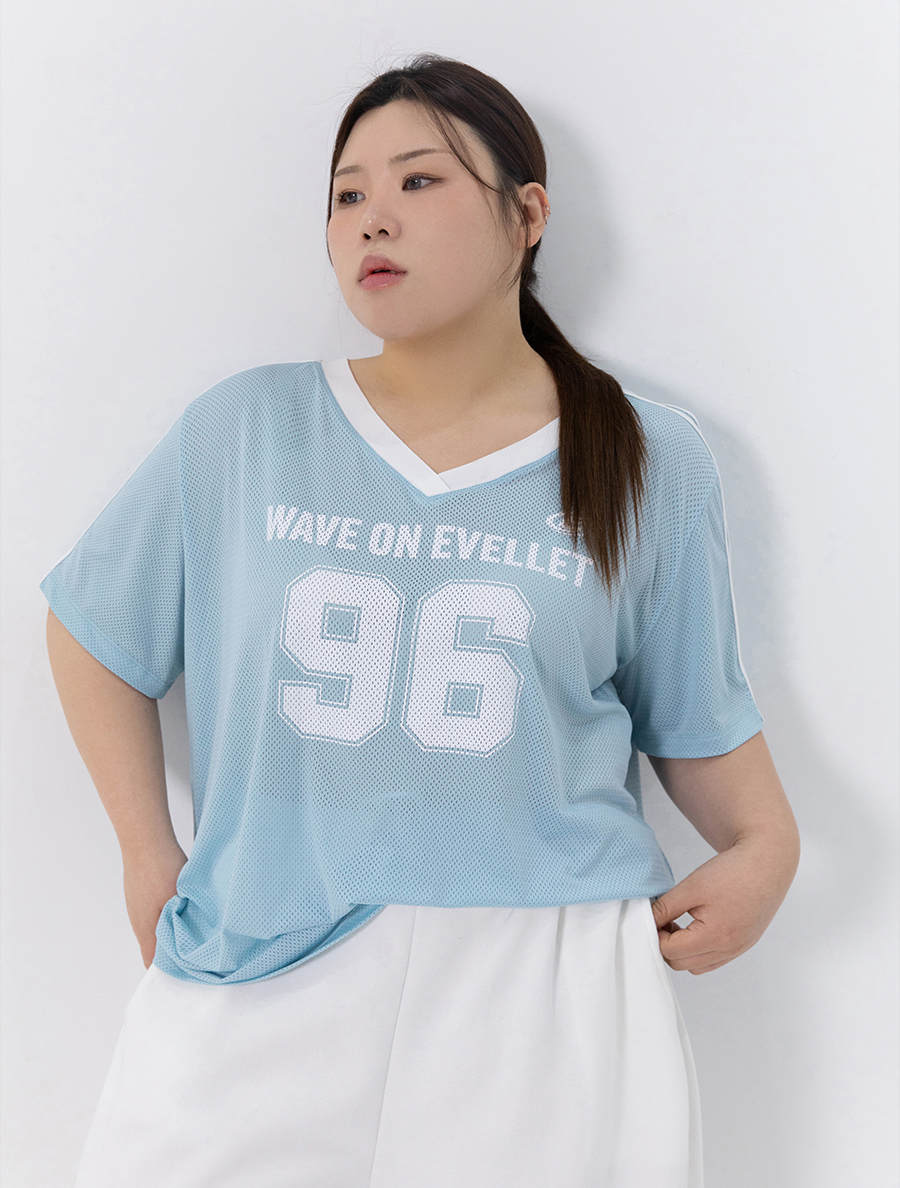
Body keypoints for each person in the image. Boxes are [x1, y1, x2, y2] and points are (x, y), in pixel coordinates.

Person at [43, 53, 800, 1188]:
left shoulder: (647, 458)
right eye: (347, 194)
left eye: (419, 181)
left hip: (544, 983)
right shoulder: (247, 430)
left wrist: (768, 854)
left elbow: (695, 714)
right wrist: (146, 852)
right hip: (264, 945)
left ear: (526, 216)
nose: (372, 218)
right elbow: (95, 630)